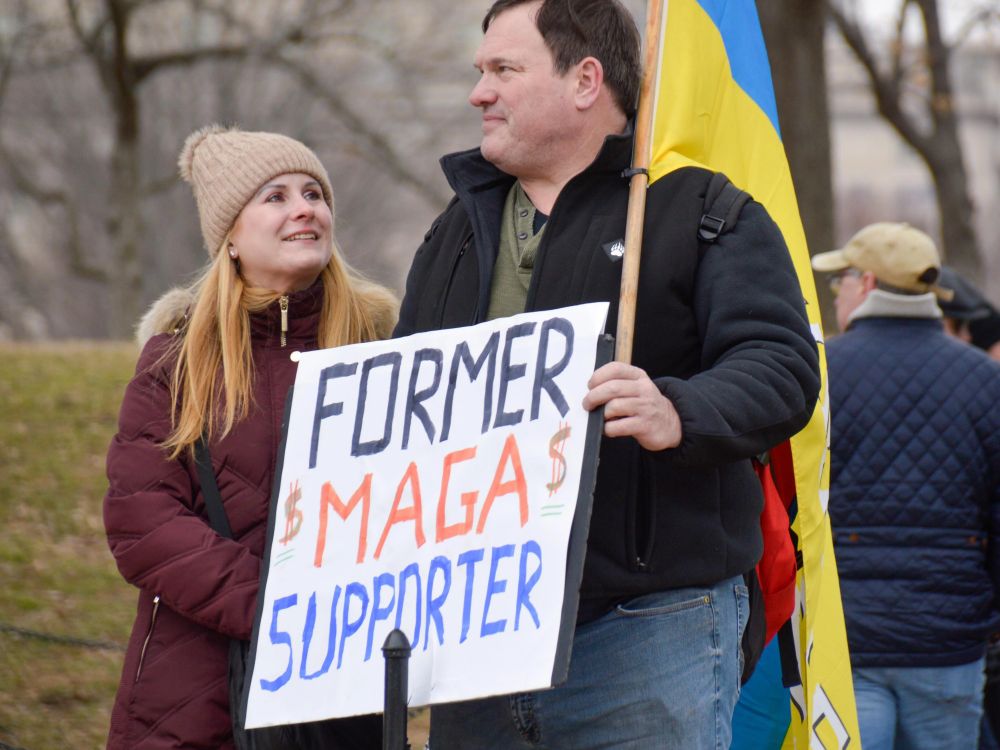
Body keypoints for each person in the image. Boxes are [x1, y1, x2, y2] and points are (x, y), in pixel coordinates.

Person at [394, 0, 821, 746]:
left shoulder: (705, 213)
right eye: (479, 72)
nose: (478, 93)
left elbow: (782, 366)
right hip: (475, 645)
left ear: (585, 79)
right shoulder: (455, 232)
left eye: (503, 70)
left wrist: (678, 410)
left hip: (649, 633)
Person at [102, 125, 397, 749]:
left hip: (334, 697)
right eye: (276, 196)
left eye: (314, 192)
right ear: (230, 237)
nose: (304, 208)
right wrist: (283, 605)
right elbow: (143, 522)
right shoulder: (174, 364)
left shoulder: (384, 356)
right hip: (192, 698)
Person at [812, 222, 1000, 750]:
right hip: (949, 637)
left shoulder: (821, 374)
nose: (837, 294)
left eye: (839, 282)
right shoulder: (986, 380)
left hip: (847, 637)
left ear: (866, 284)